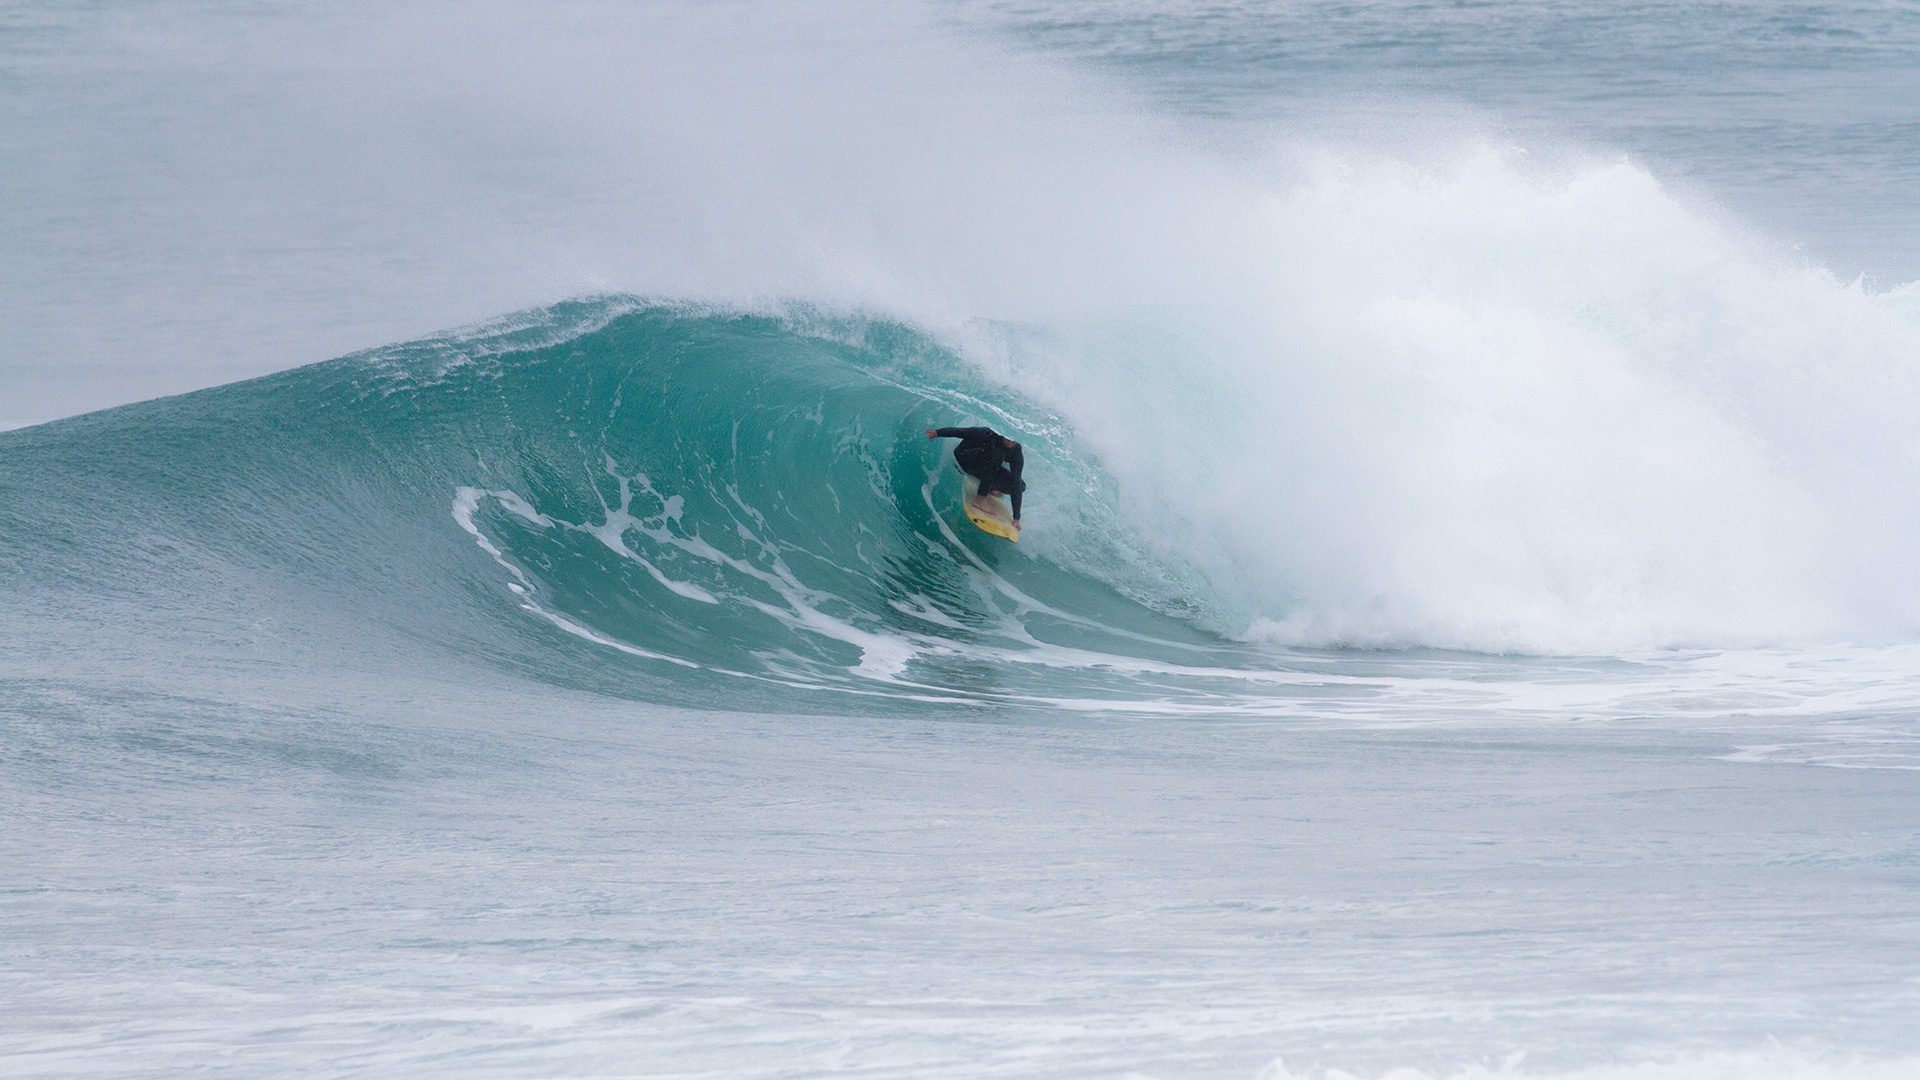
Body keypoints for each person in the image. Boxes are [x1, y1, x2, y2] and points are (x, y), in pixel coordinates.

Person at [927, 425, 1025, 525]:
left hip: (983, 465)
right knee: (998, 455)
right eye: (1007, 439)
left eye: (1013, 441)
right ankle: (980, 499)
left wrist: (1016, 517)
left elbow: (1016, 481)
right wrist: (937, 433)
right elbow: (960, 432)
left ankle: (991, 488)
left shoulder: (1016, 451)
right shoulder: (987, 434)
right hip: (964, 458)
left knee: (1020, 485)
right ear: (1002, 434)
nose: (1010, 443)